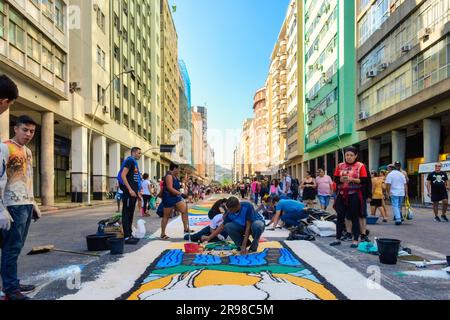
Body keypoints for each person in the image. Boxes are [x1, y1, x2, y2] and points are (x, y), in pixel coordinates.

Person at [1, 115, 41, 300]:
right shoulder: (4, 147)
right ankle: (10, 289)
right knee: (10, 248)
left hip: (25, 204)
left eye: (32, 131)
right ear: (16, 128)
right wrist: (1, 209)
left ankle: (13, 283)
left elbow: (28, 178)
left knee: (16, 247)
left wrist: (33, 202)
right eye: (25, 129)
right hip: (11, 205)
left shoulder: (28, 152)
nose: (28, 134)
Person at [330, 146, 370, 248]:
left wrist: (352, 179)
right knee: (340, 217)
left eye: (351, 155)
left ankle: (355, 240)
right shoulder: (340, 166)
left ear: (356, 155)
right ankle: (337, 238)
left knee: (354, 217)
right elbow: (336, 179)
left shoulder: (361, 166)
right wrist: (341, 180)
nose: (349, 157)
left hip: (355, 194)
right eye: (347, 155)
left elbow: (364, 181)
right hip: (342, 194)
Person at [118, 147, 142, 244]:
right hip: (129, 192)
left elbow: (135, 179)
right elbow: (123, 175)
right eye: (139, 153)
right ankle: (127, 237)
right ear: (134, 152)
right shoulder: (130, 161)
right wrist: (130, 189)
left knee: (131, 213)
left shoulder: (134, 163)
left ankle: (130, 234)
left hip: (133, 192)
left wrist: (138, 192)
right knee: (126, 213)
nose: (140, 155)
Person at [160, 163, 190, 240]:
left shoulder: (175, 176)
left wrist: (186, 175)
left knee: (184, 210)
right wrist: (181, 194)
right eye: (178, 169)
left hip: (176, 197)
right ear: (174, 168)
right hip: (168, 197)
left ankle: (185, 228)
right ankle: (162, 233)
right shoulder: (169, 176)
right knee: (166, 216)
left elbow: (181, 183)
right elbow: (170, 188)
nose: (179, 170)